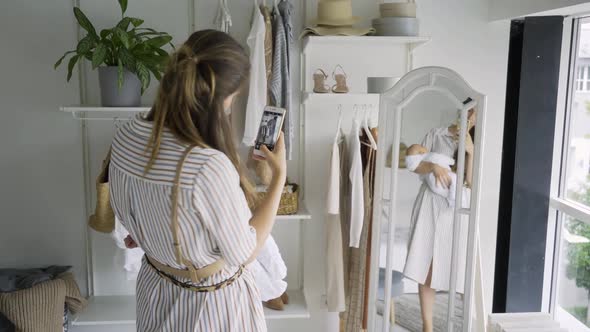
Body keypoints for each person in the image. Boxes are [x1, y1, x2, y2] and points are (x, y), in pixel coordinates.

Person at [109, 30, 286, 332]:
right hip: (210, 308)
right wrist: (279, 177)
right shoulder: (207, 167)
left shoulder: (127, 135)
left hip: (156, 293)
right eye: (234, 98)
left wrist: (154, 234)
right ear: (222, 98)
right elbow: (244, 253)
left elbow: (131, 218)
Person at [403, 109, 476, 332]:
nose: (471, 116)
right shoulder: (436, 134)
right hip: (429, 204)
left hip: (456, 208)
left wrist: (470, 153)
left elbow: (470, 183)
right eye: (470, 111)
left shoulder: (475, 144)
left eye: (476, 115)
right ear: (462, 112)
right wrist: (433, 166)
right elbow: (414, 164)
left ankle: (467, 323)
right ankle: (428, 325)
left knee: (459, 265)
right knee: (426, 263)